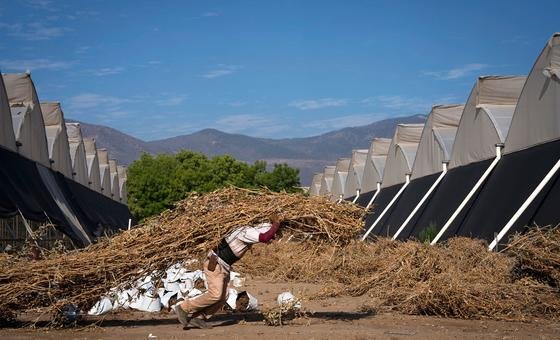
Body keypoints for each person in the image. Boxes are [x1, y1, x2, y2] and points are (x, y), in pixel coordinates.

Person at [175, 214, 282, 329]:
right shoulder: (244, 231)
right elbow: (265, 237)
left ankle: (199, 317)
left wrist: (275, 228)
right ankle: (183, 307)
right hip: (216, 263)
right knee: (215, 294)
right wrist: (276, 223)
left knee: (223, 296)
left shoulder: (248, 230)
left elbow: (267, 235)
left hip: (224, 266)